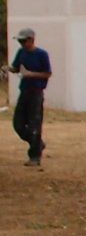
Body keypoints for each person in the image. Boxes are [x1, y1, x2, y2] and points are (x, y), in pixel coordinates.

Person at [10, 28, 51, 167]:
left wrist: (30, 74)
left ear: (31, 40)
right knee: (18, 124)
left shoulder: (42, 54)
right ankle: (38, 144)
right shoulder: (21, 52)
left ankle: (34, 156)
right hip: (24, 91)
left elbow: (47, 73)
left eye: (23, 41)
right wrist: (9, 69)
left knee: (34, 125)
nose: (21, 44)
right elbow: (16, 68)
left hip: (36, 92)